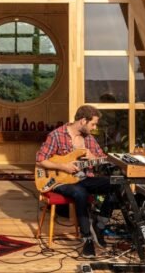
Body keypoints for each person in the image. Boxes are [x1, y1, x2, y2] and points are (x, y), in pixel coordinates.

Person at [35, 105, 118, 257]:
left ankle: (99, 225)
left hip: (83, 179)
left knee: (117, 183)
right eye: (92, 124)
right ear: (82, 121)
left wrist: (95, 158)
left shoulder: (89, 139)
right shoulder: (56, 135)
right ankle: (86, 239)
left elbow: (102, 158)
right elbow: (40, 160)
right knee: (80, 192)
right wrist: (63, 166)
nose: (94, 127)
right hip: (59, 181)